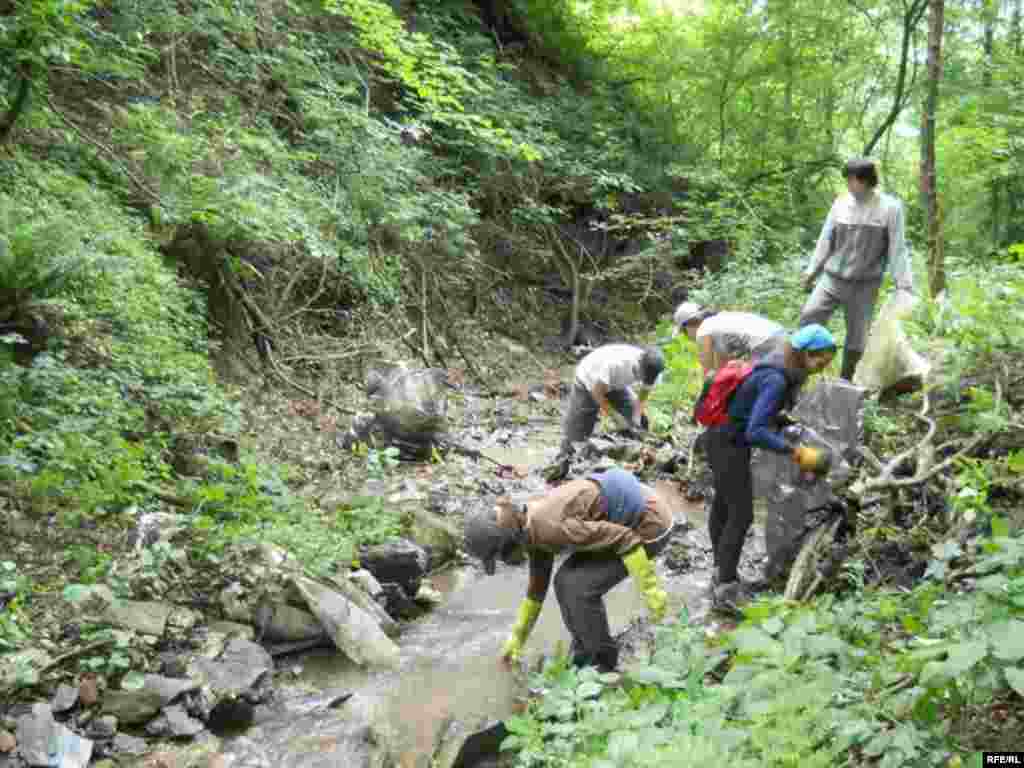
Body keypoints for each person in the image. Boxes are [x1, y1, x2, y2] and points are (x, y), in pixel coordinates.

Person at [463, 466, 673, 673]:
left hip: (650, 524)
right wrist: (517, 639)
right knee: (563, 582)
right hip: (624, 515)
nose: (504, 561)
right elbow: (537, 590)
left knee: (577, 587)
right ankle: (585, 649)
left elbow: (625, 538)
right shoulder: (528, 526)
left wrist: (652, 593)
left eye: (501, 556)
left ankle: (603, 663)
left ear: (510, 541)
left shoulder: (549, 527)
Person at [704, 324, 837, 611]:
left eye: (826, 361)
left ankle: (720, 572)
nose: (819, 366)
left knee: (724, 506)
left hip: (717, 436)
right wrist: (796, 451)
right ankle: (725, 589)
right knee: (740, 515)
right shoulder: (776, 379)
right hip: (728, 444)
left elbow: (751, 409)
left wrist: (780, 421)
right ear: (801, 354)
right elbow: (755, 431)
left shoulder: (775, 364)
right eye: (817, 359)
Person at [799, 157, 914, 382]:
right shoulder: (841, 203)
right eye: (847, 180)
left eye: (852, 180)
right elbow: (825, 240)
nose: (849, 185)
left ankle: (845, 384)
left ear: (867, 181)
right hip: (832, 279)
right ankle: (798, 371)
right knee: (809, 316)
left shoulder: (890, 208)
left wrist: (904, 285)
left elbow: (898, 250)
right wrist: (811, 271)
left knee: (857, 338)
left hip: (865, 284)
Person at [560, 344, 665, 454]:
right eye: (643, 376)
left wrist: (636, 416)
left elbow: (644, 393)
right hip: (588, 379)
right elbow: (597, 393)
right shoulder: (616, 364)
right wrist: (616, 417)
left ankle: (631, 451)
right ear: (639, 363)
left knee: (640, 421)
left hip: (615, 383)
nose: (644, 380)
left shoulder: (653, 371)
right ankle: (564, 457)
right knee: (577, 435)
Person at [673, 302, 786, 376]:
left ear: (689, 325)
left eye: (684, 332)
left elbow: (708, 372)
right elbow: (721, 370)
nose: (687, 337)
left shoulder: (703, 330)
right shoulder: (718, 324)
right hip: (781, 337)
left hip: (766, 344)